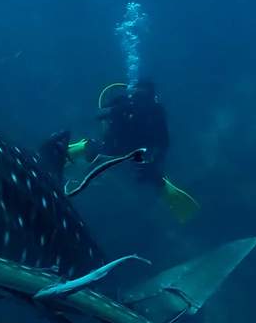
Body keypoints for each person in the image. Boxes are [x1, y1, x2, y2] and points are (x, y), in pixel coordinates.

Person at [66, 80, 200, 221]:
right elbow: (98, 115)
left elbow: (163, 144)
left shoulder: (156, 112)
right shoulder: (124, 102)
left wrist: (154, 164)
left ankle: (167, 192)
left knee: (150, 174)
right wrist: (116, 110)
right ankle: (71, 153)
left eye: (144, 96)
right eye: (138, 95)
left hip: (137, 153)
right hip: (114, 147)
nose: (140, 101)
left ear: (151, 97)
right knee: (91, 149)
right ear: (133, 93)